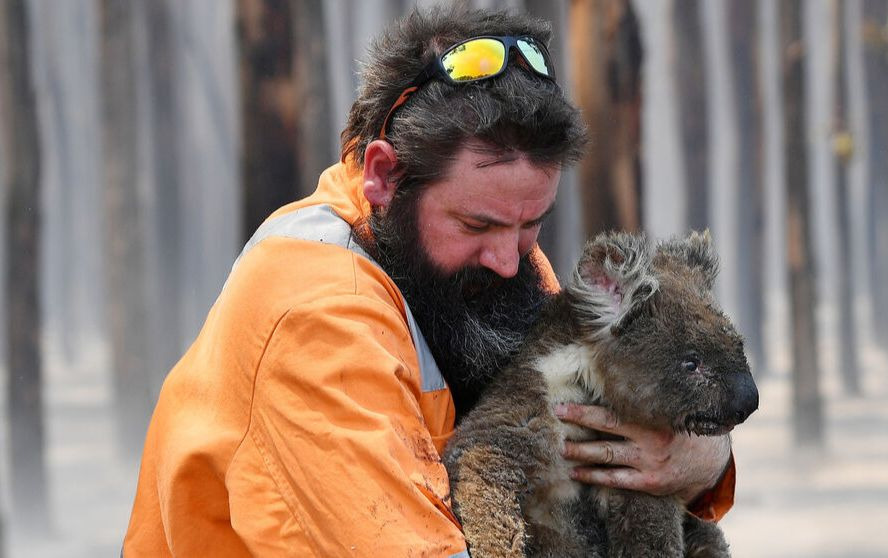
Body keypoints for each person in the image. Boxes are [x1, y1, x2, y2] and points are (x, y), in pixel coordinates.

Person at [123, 5, 735, 557]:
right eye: (477, 223)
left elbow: (595, 433)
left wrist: (702, 459)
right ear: (385, 177)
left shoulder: (492, 268)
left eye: (532, 223)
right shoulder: (315, 319)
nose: (508, 257)